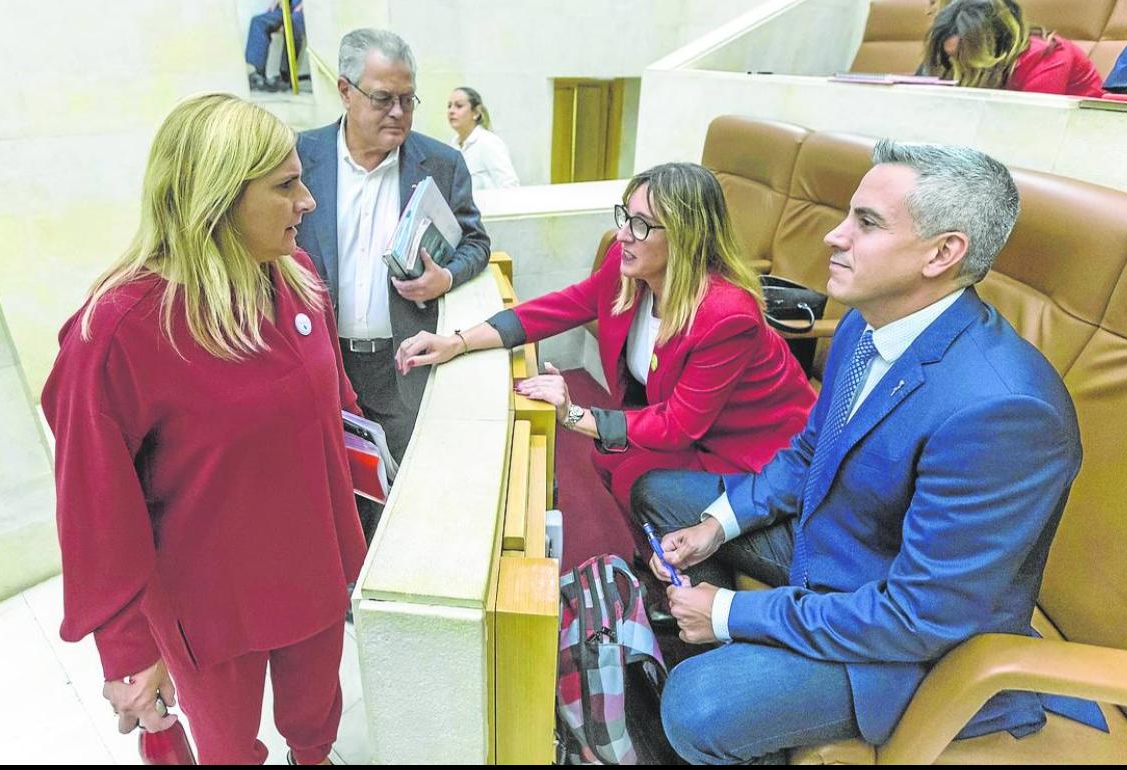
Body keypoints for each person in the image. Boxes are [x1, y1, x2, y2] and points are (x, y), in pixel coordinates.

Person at [632, 140, 1091, 763]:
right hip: (841, 555)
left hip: (914, 642)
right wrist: (717, 527)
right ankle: (741, 664)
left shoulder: (1005, 410)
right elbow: (806, 455)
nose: (833, 236)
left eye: (866, 223)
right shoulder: (865, 322)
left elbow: (918, 616)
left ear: (943, 253)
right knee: (666, 493)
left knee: (696, 705)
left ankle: (731, 681)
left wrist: (733, 612)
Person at [41, 94, 365, 765]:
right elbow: (94, 505)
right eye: (284, 186)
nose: (307, 201)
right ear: (214, 200)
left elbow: (336, 403)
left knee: (315, 716)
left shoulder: (296, 276)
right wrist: (128, 651)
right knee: (225, 746)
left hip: (313, 562)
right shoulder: (117, 333)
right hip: (209, 599)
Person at [396, 162, 816, 515]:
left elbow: (678, 424)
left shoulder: (726, 316)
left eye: (642, 225)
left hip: (757, 454)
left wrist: (574, 415)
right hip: (693, 435)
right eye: (625, 217)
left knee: (629, 470)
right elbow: (560, 307)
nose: (623, 235)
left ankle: (688, 584)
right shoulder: (627, 266)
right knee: (613, 456)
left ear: (686, 237)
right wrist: (458, 341)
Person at [295, 28, 491, 538]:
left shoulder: (441, 164)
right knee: (328, 482)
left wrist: (444, 276)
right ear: (344, 91)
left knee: (398, 488)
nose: (399, 113)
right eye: (383, 99)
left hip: (401, 361)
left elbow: (477, 243)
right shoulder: (300, 158)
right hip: (323, 358)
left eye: (408, 99)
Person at [919, 0, 1104, 97]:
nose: (958, 63)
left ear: (991, 44)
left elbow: (1031, 125)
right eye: (950, 56)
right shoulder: (973, 63)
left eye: (962, 54)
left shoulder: (1048, 57)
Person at [447, 87, 519, 190]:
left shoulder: (488, 142)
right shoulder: (452, 146)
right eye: (449, 106)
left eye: (459, 106)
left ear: (476, 113)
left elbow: (509, 185)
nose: (451, 111)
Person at [245, 1, 306, 92]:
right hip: (288, 6)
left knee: (294, 23)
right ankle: (257, 74)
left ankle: (285, 77)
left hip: (309, 9)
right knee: (258, 22)